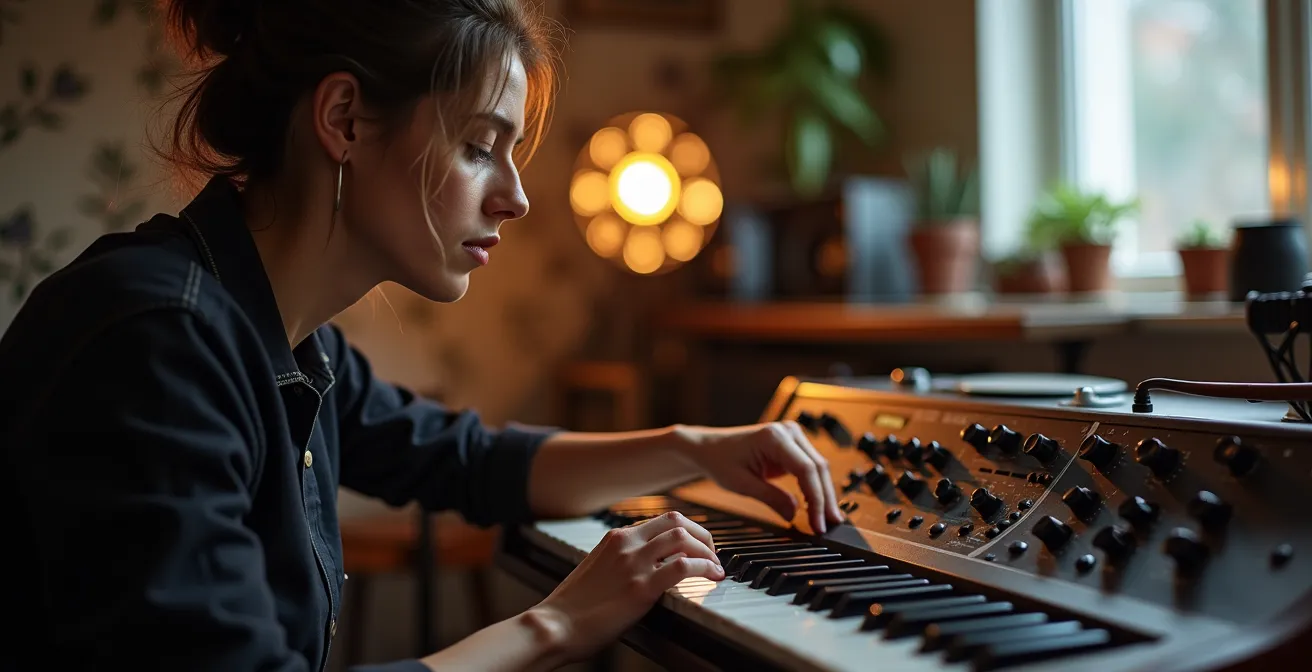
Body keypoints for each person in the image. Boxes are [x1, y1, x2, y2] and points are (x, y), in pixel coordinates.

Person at [0, 1, 844, 670]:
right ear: (345, 120)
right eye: (482, 146)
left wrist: (696, 448)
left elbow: (468, 461)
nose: (514, 196)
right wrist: (558, 626)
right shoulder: (157, 342)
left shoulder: (289, 342)